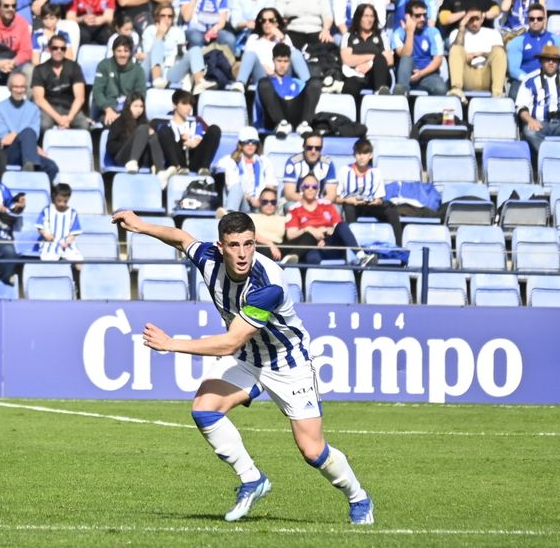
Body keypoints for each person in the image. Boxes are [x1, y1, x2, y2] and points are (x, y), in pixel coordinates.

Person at [111, 208, 373, 525]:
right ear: (220, 247)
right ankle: (252, 479)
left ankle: (359, 499)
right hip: (250, 358)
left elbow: (229, 342)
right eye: (234, 245)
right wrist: (140, 226)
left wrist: (172, 344)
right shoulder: (208, 259)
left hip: (288, 362)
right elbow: (181, 238)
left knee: (312, 450)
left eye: (249, 244)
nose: (243, 253)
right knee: (204, 409)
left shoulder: (268, 286)